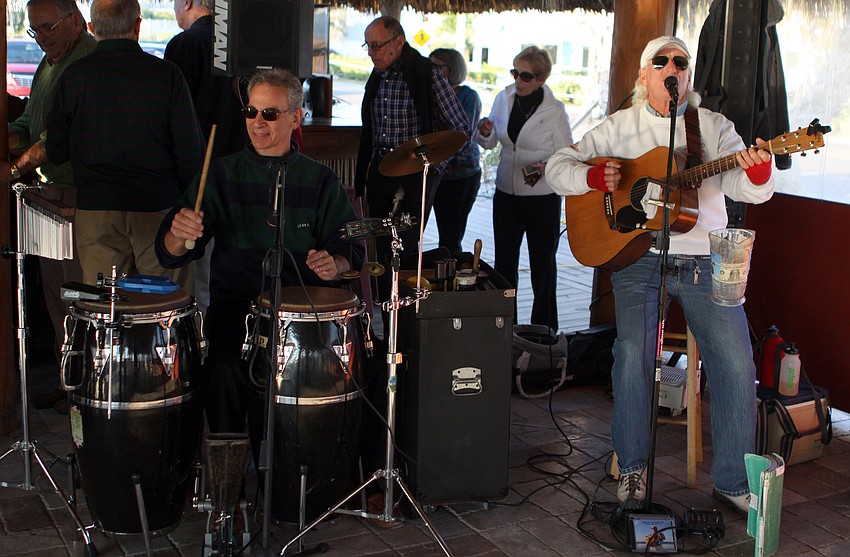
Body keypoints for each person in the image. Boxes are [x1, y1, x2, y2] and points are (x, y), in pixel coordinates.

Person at [545, 35, 774, 514]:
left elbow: (746, 187)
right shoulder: (620, 126)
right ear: (644, 74)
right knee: (633, 354)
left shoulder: (712, 127)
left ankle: (733, 482)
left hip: (705, 259)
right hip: (638, 257)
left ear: (688, 75)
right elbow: (557, 167)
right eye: (662, 61)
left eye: (681, 62)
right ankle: (632, 469)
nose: (673, 68)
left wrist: (757, 173)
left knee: (737, 364)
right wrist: (593, 178)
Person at [155, 68, 364, 435]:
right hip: (236, 308)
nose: (257, 122)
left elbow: (350, 248)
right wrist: (178, 233)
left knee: (323, 387)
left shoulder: (320, 179)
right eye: (250, 112)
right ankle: (228, 465)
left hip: (302, 315)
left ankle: (294, 463)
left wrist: (335, 264)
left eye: (269, 113)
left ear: (295, 118)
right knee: (221, 372)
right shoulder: (221, 174)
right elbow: (172, 253)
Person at [46, 0, 203, 291]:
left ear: (91, 28)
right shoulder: (167, 75)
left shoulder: (73, 76)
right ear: (137, 26)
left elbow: (55, 151)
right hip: (158, 208)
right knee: (165, 305)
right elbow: (190, 153)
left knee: (106, 306)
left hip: (97, 209)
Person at [1, 0, 96, 411]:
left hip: (76, 195)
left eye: (48, 28)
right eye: (34, 30)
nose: (41, 38)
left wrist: (14, 167)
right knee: (56, 294)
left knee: (78, 294)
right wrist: (9, 136)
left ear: (74, 20)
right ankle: (68, 377)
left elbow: (59, 137)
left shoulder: (86, 61)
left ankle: (86, 383)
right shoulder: (50, 61)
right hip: (47, 193)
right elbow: (30, 124)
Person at [354, 16, 470, 275]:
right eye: (368, 46)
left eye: (377, 45)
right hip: (381, 171)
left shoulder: (427, 73)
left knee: (405, 247)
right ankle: (385, 297)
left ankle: (405, 299)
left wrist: (433, 167)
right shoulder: (378, 75)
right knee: (382, 246)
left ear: (399, 42)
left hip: (415, 175)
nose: (371, 52)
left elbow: (461, 129)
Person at [476, 46, 572, 331]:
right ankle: (506, 329)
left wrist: (544, 167)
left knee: (542, 267)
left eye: (525, 76)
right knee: (504, 264)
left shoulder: (555, 110)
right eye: (514, 72)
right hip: (505, 193)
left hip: (542, 198)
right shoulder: (503, 97)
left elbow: (567, 154)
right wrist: (485, 133)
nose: (518, 80)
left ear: (541, 79)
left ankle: (545, 332)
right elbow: (491, 142)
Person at [428, 47, 482, 254]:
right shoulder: (430, 94)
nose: (431, 71)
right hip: (436, 172)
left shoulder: (469, 96)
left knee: (451, 235)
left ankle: (451, 271)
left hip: (461, 174)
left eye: (437, 67)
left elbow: (463, 137)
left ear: (451, 69)